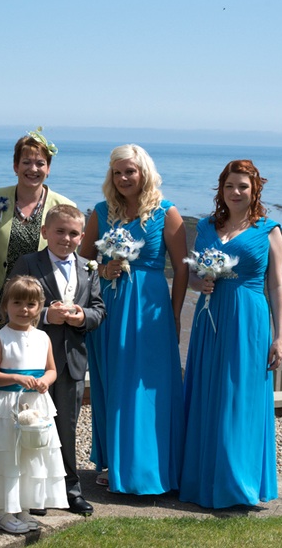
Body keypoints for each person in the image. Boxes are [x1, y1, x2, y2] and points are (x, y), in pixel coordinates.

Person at [77, 144, 188, 496]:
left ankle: (153, 463)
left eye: (130, 171)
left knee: (149, 386)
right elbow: (82, 264)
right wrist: (102, 269)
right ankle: (115, 462)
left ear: (144, 173)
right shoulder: (99, 212)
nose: (124, 178)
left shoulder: (167, 213)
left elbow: (182, 270)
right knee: (114, 385)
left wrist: (175, 313)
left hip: (151, 311)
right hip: (110, 309)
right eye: (117, 172)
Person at [179, 159, 282, 509]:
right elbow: (192, 274)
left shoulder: (269, 230)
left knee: (241, 396)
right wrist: (200, 281)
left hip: (250, 320)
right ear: (220, 189)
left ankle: (240, 484)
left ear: (255, 190)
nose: (236, 192)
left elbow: (277, 286)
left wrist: (280, 337)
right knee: (209, 392)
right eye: (229, 186)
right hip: (212, 316)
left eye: (243, 186)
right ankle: (203, 479)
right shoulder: (207, 227)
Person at [11, 204, 106, 516]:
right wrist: (44, 315)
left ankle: (69, 489)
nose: (66, 238)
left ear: (82, 236)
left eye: (74, 233)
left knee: (66, 425)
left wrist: (82, 318)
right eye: (60, 231)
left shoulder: (89, 267)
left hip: (72, 359)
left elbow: (98, 309)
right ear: (45, 233)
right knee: (33, 423)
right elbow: (9, 302)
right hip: (34, 358)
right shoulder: (28, 262)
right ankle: (34, 490)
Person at [0, 275, 68, 534]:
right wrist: (14, 377)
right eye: (18, 303)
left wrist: (45, 380)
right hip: (6, 407)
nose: (24, 309)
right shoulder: (0, 338)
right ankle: (0, 511)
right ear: (6, 306)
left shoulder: (43, 338)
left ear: (39, 307)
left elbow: (52, 370)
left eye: (31, 304)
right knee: (6, 456)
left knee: (29, 456)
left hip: (35, 405)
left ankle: (21, 506)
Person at [0, 130, 75, 350]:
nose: (33, 169)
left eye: (40, 163)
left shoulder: (64, 206)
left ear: (48, 169)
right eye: (26, 162)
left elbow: (70, 259)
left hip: (39, 305)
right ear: (15, 166)